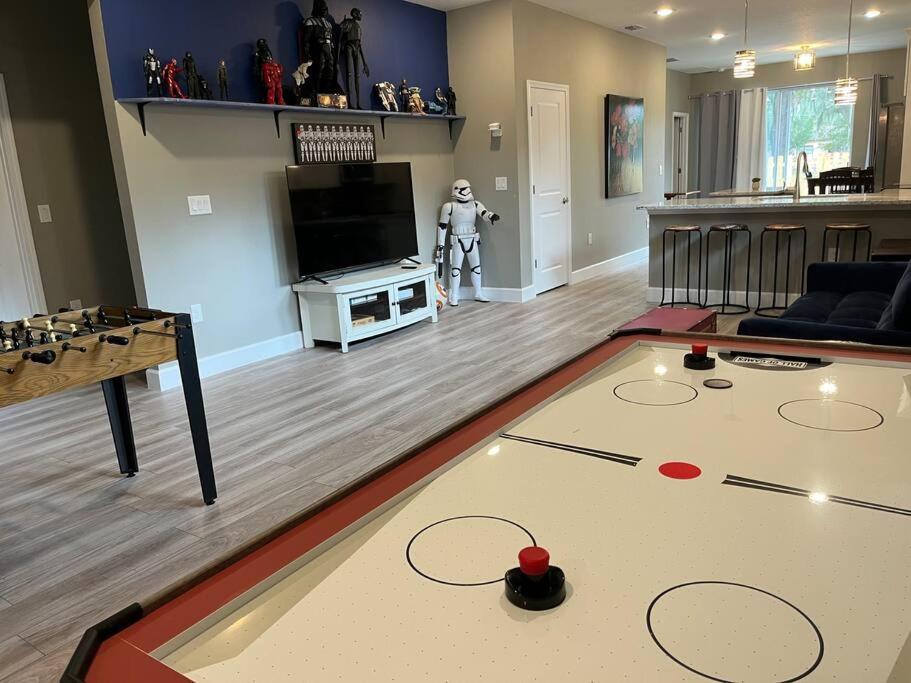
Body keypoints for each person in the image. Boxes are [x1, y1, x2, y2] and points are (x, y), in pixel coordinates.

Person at [436, 179, 500, 306]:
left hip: (472, 239)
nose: (467, 191)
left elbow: (484, 213)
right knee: (455, 269)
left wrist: (491, 216)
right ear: (457, 190)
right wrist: (440, 246)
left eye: (468, 188)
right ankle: (454, 295)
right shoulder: (449, 206)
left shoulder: (475, 204)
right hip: (458, 240)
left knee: (476, 268)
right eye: (464, 189)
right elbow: (442, 226)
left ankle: (478, 293)